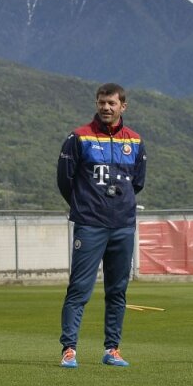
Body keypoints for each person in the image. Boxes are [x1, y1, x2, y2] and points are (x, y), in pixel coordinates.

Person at [57, 83, 147, 368]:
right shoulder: (79, 137)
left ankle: (112, 349)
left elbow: (138, 182)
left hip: (122, 225)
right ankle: (69, 349)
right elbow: (65, 180)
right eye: (101, 102)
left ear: (123, 106)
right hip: (90, 224)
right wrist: (86, 205)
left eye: (111, 103)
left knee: (117, 290)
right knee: (79, 289)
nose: (106, 108)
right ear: (96, 104)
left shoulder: (134, 141)